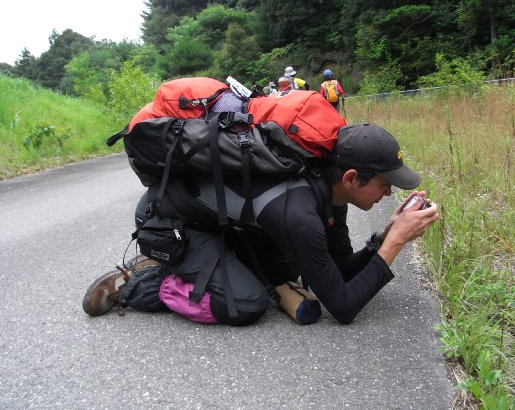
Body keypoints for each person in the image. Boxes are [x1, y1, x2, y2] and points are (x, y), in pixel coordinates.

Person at [82, 123, 439, 326]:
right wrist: (396, 246)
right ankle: (142, 279)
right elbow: (343, 307)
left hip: (221, 224)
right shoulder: (300, 213)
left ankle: (207, 265)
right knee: (247, 303)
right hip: (169, 222)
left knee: (292, 266)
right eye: (384, 183)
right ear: (349, 177)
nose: (389, 192)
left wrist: (383, 237)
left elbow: (341, 272)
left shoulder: (332, 198)